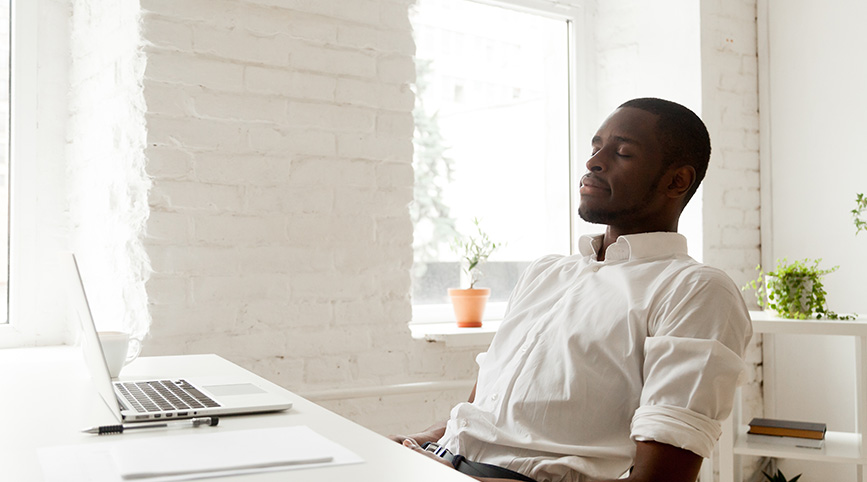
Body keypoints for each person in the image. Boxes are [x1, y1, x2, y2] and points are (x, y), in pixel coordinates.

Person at [391, 98, 753, 482]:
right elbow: (481, 411)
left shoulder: (696, 291)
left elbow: (660, 479)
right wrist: (412, 445)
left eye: (623, 152)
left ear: (676, 181)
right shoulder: (545, 272)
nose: (594, 161)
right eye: (595, 147)